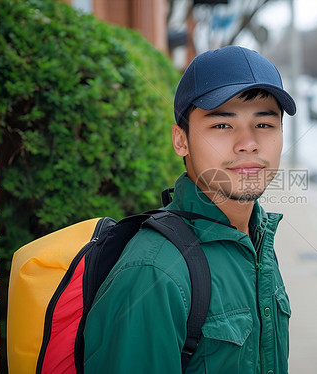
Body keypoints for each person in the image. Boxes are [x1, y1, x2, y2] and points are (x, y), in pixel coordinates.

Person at [83, 45, 296, 373]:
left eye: (264, 124)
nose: (248, 142)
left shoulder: (257, 240)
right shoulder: (153, 273)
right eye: (222, 125)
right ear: (180, 140)